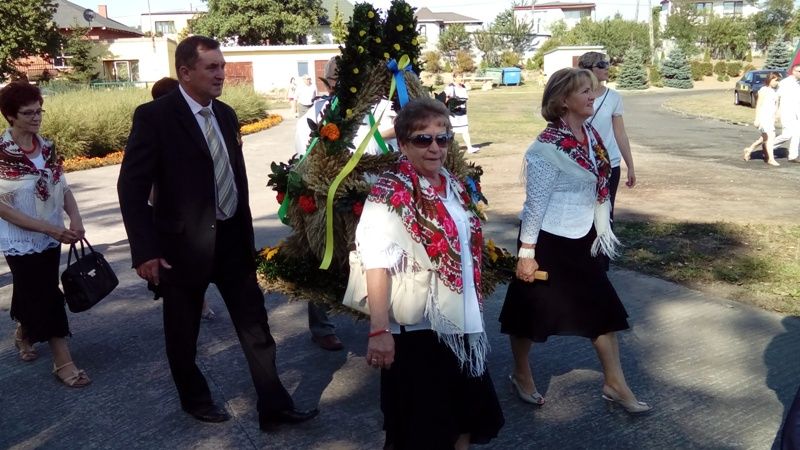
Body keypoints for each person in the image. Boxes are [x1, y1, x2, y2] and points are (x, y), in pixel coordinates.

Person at [117, 35, 318, 430]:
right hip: (181, 247)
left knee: (256, 326)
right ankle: (195, 399)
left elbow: (234, 178)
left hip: (231, 242)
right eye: (212, 67)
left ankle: (274, 405)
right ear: (185, 72)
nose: (221, 74)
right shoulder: (155, 117)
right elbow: (131, 187)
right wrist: (145, 251)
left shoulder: (225, 114)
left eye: (222, 66)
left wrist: (246, 238)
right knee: (183, 333)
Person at [498, 68, 651, 414]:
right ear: (563, 100)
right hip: (547, 242)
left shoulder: (591, 135)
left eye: (591, 90)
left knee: (603, 308)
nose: (592, 96)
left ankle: (615, 384)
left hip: (586, 239)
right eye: (584, 91)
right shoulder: (545, 149)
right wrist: (526, 254)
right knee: (528, 313)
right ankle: (521, 374)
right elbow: (534, 204)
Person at [356, 97, 504, 449]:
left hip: (460, 323)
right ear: (403, 144)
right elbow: (376, 262)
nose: (435, 147)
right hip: (418, 332)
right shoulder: (390, 193)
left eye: (443, 137)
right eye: (423, 139)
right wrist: (379, 331)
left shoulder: (451, 183)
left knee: (464, 419)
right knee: (424, 431)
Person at [0, 82, 91, 387]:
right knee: (48, 294)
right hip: (20, 240)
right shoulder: (1, 153)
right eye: (28, 113)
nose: (36, 117)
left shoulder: (48, 148)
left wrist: (75, 218)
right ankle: (63, 362)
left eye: (39, 111)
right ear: (10, 116)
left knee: (32, 289)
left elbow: (62, 187)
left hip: (53, 236)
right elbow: (3, 208)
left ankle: (23, 333)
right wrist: (50, 228)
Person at [149, 77, 216, 321]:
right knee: (179, 275)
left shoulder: (208, 117)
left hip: (191, 216)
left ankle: (199, 302)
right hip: (174, 218)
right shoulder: (154, 122)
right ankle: (193, 303)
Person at [577, 52, 636, 211]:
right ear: (588, 69)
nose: (607, 68)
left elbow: (620, 134)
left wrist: (630, 166)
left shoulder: (614, 97)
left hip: (609, 164)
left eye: (607, 64)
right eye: (602, 65)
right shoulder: (574, 95)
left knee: (605, 213)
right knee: (582, 214)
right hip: (580, 163)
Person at [743, 72, 782, 166]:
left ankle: (749, 149)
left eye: (778, 81)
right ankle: (771, 159)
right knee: (771, 136)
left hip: (770, 118)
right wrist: (757, 119)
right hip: (764, 117)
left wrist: (776, 114)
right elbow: (759, 105)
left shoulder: (774, 91)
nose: (776, 83)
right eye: (775, 80)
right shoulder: (763, 90)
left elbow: (776, 104)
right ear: (770, 79)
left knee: (764, 138)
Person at [445, 73, 478, 154]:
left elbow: (465, 100)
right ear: (454, 78)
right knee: (452, 131)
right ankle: (448, 149)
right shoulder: (450, 87)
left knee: (465, 130)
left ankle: (470, 148)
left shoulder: (463, 87)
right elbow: (445, 98)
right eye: (459, 77)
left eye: (461, 77)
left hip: (462, 112)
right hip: (453, 113)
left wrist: (465, 109)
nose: (461, 78)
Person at [774, 64, 800, 163]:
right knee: (787, 134)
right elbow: (777, 97)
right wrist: (776, 112)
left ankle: (793, 156)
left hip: (797, 113)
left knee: (797, 134)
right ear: (793, 72)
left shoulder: (798, 84)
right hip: (786, 112)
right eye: (799, 71)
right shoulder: (785, 83)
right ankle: (769, 146)